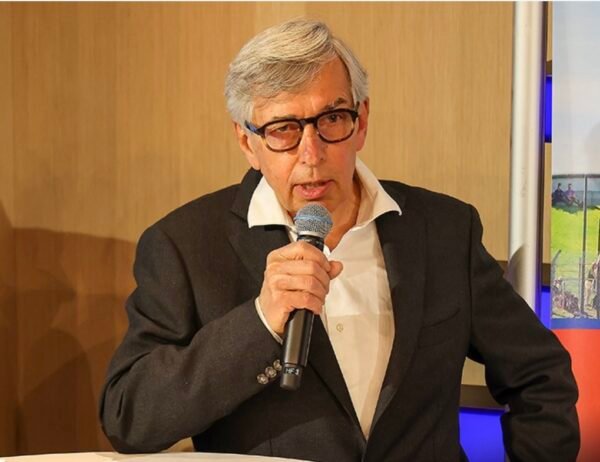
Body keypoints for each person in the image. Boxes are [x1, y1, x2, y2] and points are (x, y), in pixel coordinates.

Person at [99, 19, 579, 461]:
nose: (312, 154)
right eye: (283, 130)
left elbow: (539, 374)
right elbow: (129, 418)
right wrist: (260, 322)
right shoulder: (185, 245)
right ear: (248, 143)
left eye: (331, 119)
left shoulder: (444, 229)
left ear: (361, 120)